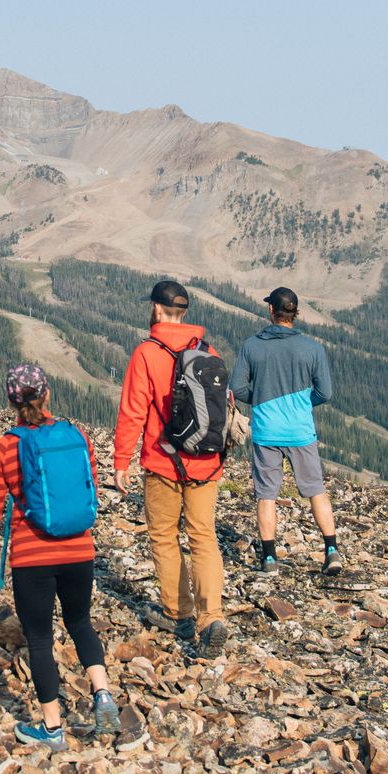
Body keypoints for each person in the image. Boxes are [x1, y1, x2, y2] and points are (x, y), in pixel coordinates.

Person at [0, 364, 136, 750]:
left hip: (32, 557)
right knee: (81, 622)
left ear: (12, 401)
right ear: (48, 395)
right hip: (79, 550)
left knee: (39, 638)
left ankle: (52, 728)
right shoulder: (76, 435)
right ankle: (102, 694)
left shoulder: (3, 448)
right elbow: (89, 489)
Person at [113, 279, 230, 653]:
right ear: (184, 312)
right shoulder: (208, 351)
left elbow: (133, 411)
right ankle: (212, 616)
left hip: (163, 462)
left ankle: (179, 614)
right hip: (207, 461)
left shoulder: (147, 352)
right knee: (203, 536)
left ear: (157, 309)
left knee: (164, 535)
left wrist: (121, 460)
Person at [231, 286, 341, 574]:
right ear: (295, 314)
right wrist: (303, 403)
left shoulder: (251, 346)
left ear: (271, 311)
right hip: (300, 430)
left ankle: (269, 558)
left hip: (267, 430)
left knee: (266, 494)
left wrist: (263, 397)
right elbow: (325, 393)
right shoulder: (313, 348)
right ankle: (331, 549)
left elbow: (238, 388)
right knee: (316, 489)